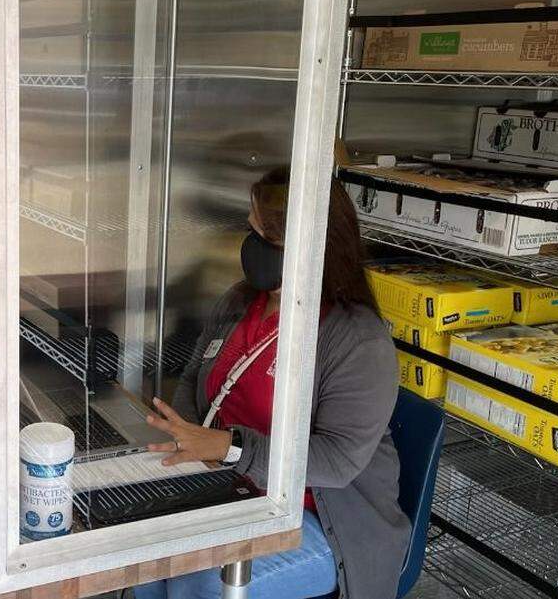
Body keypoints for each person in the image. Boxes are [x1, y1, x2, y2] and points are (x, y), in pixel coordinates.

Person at [135, 169, 409, 599]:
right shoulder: (239, 301)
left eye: (266, 239)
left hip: (323, 526)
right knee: (145, 564)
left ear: (310, 244)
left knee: (201, 582)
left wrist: (227, 448)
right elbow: (193, 380)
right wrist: (192, 444)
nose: (252, 248)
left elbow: (336, 461)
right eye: (251, 231)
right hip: (230, 492)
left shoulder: (357, 339)